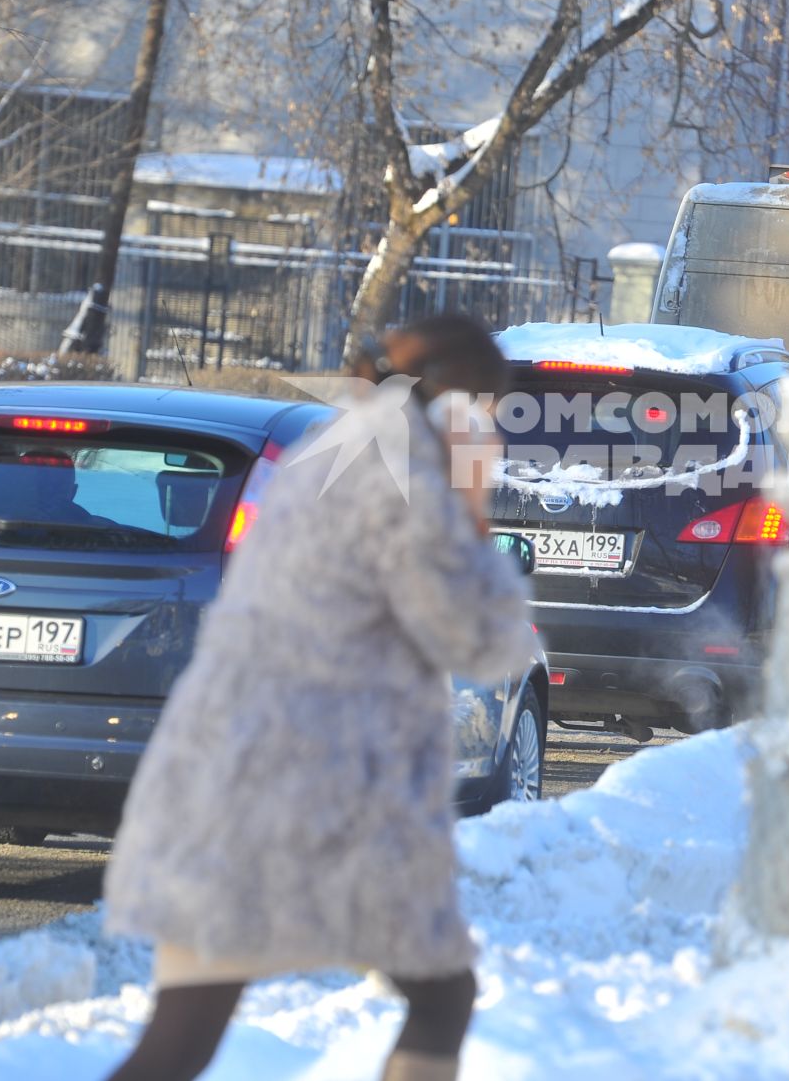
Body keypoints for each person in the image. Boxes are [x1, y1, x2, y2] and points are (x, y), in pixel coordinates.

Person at [101, 314, 539, 1081]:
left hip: (233, 781)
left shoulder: (339, 450)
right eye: (491, 417)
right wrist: (474, 506)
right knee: (442, 995)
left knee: (178, 1041)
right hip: (310, 800)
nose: (495, 439)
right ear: (455, 408)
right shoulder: (404, 477)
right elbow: (480, 637)